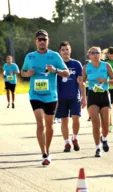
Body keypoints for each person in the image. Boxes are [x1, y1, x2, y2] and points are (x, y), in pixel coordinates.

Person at [21, 30, 70, 165]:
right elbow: (22, 72)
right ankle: (43, 153)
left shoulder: (55, 56)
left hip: (51, 96)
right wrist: (27, 73)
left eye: (44, 39)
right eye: (39, 39)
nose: (42, 41)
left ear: (48, 41)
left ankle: (47, 150)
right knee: (40, 122)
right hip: (35, 95)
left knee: (49, 125)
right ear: (36, 41)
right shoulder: (29, 57)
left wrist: (55, 70)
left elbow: (66, 73)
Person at [82, 46, 113, 157]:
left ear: (100, 54)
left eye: (97, 52)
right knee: (95, 124)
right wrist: (82, 92)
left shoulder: (106, 65)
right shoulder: (86, 67)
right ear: (89, 55)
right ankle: (97, 148)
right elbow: (82, 82)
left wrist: (105, 80)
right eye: (93, 52)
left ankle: (104, 138)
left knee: (106, 126)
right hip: (92, 96)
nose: (95, 54)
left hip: (104, 95)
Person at [55, 41, 86, 152]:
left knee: (76, 118)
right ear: (59, 52)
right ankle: (66, 143)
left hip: (74, 96)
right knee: (64, 121)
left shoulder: (76, 64)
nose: (65, 52)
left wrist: (84, 97)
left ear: (70, 50)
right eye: (63, 50)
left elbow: (81, 82)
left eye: (67, 49)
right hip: (61, 98)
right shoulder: (57, 65)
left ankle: (75, 138)